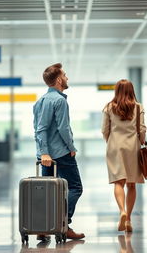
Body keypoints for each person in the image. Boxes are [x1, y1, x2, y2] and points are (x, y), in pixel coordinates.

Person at [33, 63, 85, 241]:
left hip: (44, 155)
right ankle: (62, 224)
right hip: (60, 153)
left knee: (47, 191)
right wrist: (72, 148)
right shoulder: (59, 100)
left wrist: (42, 152)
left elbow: (37, 130)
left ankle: (43, 227)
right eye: (65, 75)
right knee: (75, 187)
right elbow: (63, 128)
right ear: (58, 80)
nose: (67, 78)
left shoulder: (39, 101)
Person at [101, 79, 146, 233]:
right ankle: (128, 220)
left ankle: (122, 211)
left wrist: (111, 142)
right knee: (131, 184)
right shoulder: (138, 107)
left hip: (114, 147)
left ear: (117, 91)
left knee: (118, 182)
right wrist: (140, 142)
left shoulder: (108, 107)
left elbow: (104, 130)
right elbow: (142, 129)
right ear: (131, 90)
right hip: (132, 147)